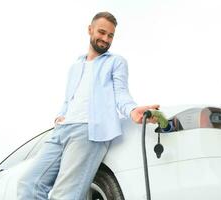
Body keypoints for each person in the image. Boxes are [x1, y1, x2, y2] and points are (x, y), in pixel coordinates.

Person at [17, 11, 159, 199]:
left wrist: (133, 111)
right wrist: (61, 115)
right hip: (61, 131)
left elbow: (121, 94)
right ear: (90, 30)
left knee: (64, 195)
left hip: (88, 132)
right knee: (28, 184)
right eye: (101, 32)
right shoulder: (76, 66)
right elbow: (69, 99)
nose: (105, 39)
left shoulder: (116, 62)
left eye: (110, 35)